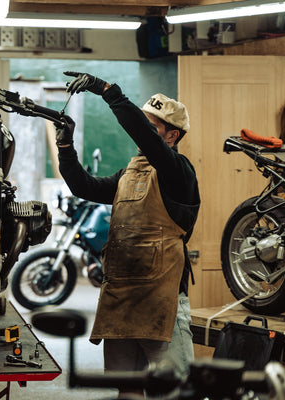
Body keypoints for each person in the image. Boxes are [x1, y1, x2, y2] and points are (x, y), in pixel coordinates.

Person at [56, 71, 200, 382]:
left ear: (171, 136)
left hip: (162, 300)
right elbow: (85, 187)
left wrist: (107, 90)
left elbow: (143, 135)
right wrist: (66, 147)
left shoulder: (178, 173)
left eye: (151, 127)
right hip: (121, 297)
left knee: (176, 391)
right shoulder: (129, 174)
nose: (140, 134)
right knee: (127, 389)